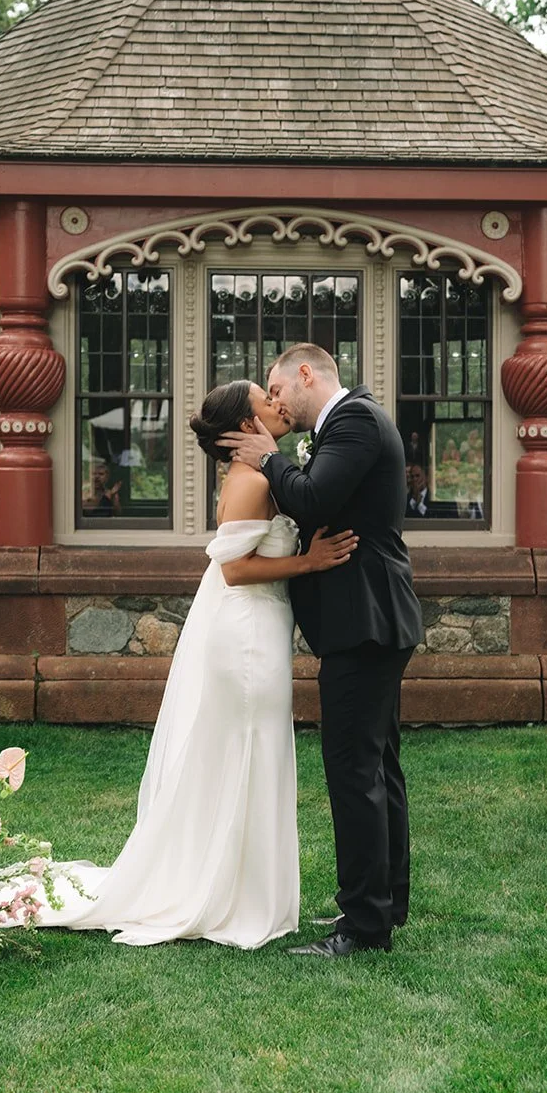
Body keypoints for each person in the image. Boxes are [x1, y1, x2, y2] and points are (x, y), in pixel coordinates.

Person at [63, 380, 357, 949]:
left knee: (254, 749)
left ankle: (244, 886)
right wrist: (312, 563)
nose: (277, 404)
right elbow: (234, 570)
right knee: (247, 747)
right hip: (244, 631)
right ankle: (227, 895)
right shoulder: (249, 481)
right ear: (248, 426)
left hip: (261, 627)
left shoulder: (262, 474)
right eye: (264, 401)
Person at [221, 344, 424, 958]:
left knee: (354, 772)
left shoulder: (356, 420)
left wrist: (270, 458)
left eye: (278, 391)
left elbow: (311, 500)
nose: (275, 403)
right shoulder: (345, 424)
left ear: (306, 374)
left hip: (364, 622)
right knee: (378, 765)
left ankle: (363, 925)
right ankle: (383, 904)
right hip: (368, 621)